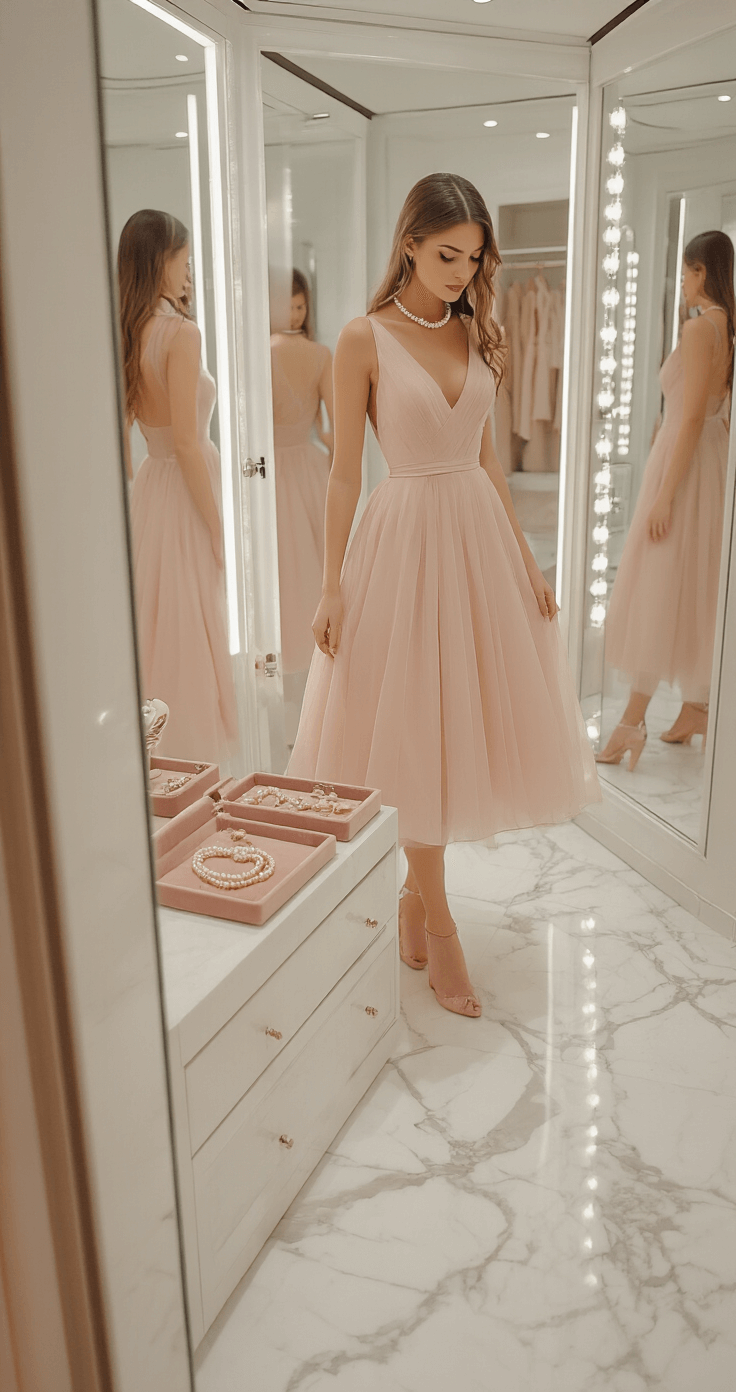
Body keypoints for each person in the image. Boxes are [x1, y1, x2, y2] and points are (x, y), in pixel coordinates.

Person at [288, 173, 600, 1019]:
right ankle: (443, 926)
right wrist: (329, 584)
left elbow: (492, 462)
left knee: (463, 731)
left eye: (473, 256)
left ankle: (413, 901)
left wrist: (529, 562)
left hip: (478, 542)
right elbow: (347, 471)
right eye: (446, 254)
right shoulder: (362, 338)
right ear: (410, 246)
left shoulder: (479, 331)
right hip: (401, 541)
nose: (462, 271)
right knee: (411, 733)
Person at [596, 230, 733, 769]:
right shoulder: (726, 326)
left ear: (701, 272)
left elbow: (693, 416)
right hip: (707, 461)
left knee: (659, 585)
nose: (681, 284)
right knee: (693, 587)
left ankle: (631, 723)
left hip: (687, 466)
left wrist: (665, 496)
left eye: (684, 274)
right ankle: (697, 705)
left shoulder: (701, 329)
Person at [118, 208, 237, 764]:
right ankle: (193, 759)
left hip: (151, 487)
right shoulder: (180, 334)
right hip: (187, 491)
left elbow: (127, 437)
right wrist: (219, 529)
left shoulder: (128, 331)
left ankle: (160, 756)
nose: (189, 272)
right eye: (183, 260)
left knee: (159, 621)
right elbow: (189, 443)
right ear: (159, 262)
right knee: (192, 621)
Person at [271, 270, 334, 741]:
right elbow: (333, 429)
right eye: (292, 306)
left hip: (270, 472)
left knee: (287, 578)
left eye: (299, 306)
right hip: (309, 468)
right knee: (310, 574)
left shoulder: (257, 353)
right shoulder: (320, 354)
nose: (295, 314)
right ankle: (312, 704)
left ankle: (292, 708)